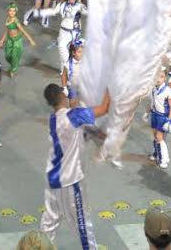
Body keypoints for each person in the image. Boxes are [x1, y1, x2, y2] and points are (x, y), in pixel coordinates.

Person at [39, 83, 110, 249]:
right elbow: (104, 108)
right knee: (82, 224)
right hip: (69, 181)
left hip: (52, 178)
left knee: (49, 221)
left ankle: (39, 246)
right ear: (63, 97)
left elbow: (77, 136)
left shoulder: (53, 119)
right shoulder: (74, 116)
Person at [25, 0, 86, 69]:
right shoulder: (62, 5)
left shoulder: (80, 7)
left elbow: (89, 12)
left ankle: (70, 68)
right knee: (62, 48)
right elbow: (53, 11)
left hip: (74, 33)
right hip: (63, 32)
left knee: (74, 52)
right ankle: (66, 69)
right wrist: (40, 13)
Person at [149, 68, 171, 168]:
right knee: (155, 136)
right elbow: (152, 102)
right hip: (154, 114)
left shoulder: (168, 91)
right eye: (157, 76)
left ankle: (164, 159)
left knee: (160, 138)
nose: (158, 79)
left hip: (162, 117)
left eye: (161, 76)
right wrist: (148, 112)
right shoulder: (154, 89)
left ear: (164, 78)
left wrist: (169, 120)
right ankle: (156, 153)